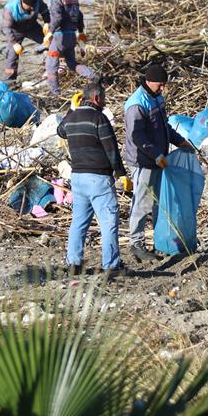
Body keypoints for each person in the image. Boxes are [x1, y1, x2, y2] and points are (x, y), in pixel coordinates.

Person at [57, 81, 131, 276]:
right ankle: (111, 266)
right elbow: (111, 149)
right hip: (98, 178)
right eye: (104, 98)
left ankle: (73, 264)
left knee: (79, 222)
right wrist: (121, 173)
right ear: (97, 98)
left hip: (78, 178)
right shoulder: (99, 119)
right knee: (108, 223)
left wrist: (72, 109)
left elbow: (60, 131)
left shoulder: (72, 118)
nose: (105, 101)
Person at [123, 64, 191, 261]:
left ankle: (160, 241)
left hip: (158, 160)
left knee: (158, 203)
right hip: (143, 161)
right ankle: (136, 243)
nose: (163, 89)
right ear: (149, 81)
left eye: (164, 85)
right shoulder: (136, 105)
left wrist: (179, 140)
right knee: (142, 203)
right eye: (160, 85)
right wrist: (156, 155)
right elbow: (137, 136)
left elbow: (163, 127)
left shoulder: (156, 98)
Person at [43, 0, 95, 95]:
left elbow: (57, 18)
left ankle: (55, 92)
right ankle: (93, 75)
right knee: (72, 63)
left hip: (59, 37)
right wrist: (81, 35)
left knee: (51, 65)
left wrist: (50, 31)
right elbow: (80, 16)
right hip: (71, 36)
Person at [2, 0, 50, 81]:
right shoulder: (10, 9)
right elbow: (6, 28)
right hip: (16, 30)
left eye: (33, 6)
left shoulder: (37, 0)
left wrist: (47, 22)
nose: (32, 8)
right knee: (12, 56)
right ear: (23, 3)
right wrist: (14, 43)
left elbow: (45, 10)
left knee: (50, 43)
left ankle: (53, 69)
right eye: (29, 6)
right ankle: (9, 80)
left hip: (33, 27)